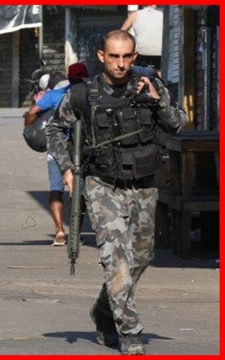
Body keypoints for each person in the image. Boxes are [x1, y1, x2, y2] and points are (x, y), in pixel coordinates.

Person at [46, 30, 185, 355]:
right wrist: (67, 168)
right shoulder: (84, 94)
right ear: (101, 57)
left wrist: (157, 100)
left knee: (142, 256)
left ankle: (105, 309)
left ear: (134, 57)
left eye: (126, 57)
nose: (120, 64)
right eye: (114, 57)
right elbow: (54, 129)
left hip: (143, 183)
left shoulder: (149, 85)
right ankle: (131, 336)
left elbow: (178, 123)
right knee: (116, 262)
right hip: (101, 184)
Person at [23, 62, 88, 246]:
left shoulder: (54, 95)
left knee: (55, 189)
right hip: (79, 150)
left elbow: (32, 112)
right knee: (77, 191)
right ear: (84, 76)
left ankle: (59, 231)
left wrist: (28, 130)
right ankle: (75, 232)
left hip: (55, 148)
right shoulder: (89, 94)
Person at [121, 5, 163, 75]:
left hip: (141, 53)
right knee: (159, 71)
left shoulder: (134, 15)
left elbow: (121, 32)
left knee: (134, 65)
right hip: (159, 52)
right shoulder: (162, 15)